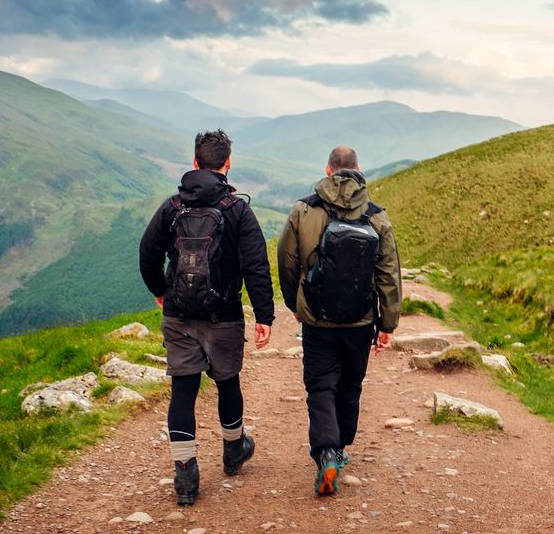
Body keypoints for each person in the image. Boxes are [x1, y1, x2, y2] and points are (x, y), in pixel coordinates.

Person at [138, 130, 275, 506]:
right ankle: (234, 451)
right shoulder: (238, 210)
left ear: (195, 162)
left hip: (178, 313)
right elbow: (256, 266)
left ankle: (185, 475)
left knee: (183, 388)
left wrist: (160, 290)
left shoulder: (172, 206)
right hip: (225, 314)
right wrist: (265, 315)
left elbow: (147, 253)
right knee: (227, 382)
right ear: (227, 164)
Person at [277, 145, 401, 496]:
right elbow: (388, 274)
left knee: (320, 386)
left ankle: (326, 452)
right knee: (350, 385)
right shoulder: (377, 216)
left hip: (316, 320)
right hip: (360, 321)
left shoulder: (303, 210)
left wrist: (296, 303)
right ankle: (341, 447)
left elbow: (287, 262)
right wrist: (387, 324)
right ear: (359, 170)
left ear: (327, 170)